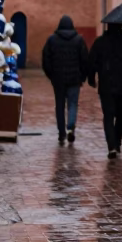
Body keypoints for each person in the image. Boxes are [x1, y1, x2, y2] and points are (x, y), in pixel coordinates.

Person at [87, 23, 122, 160]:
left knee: (108, 115)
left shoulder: (100, 42)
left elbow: (91, 62)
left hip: (106, 85)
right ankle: (117, 142)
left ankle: (111, 146)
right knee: (121, 115)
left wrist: (91, 78)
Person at [41, 15, 89, 146]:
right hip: (74, 79)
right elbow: (85, 60)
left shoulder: (52, 40)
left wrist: (51, 75)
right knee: (73, 104)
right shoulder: (79, 40)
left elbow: (46, 59)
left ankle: (61, 132)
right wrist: (83, 76)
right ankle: (70, 127)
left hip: (58, 79)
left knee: (60, 106)